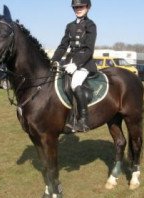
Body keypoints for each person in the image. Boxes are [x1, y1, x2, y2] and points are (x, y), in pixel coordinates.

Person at [51, 0, 97, 132]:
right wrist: (54, 60)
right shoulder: (69, 26)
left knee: (75, 84)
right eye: (76, 7)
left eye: (81, 6)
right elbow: (63, 46)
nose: (78, 9)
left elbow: (89, 49)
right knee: (59, 83)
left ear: (87, 7)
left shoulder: (90, 25)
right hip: (69, 62)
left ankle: (83, 119)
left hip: (84, 63)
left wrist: (76, 64)